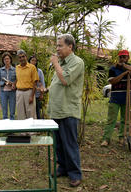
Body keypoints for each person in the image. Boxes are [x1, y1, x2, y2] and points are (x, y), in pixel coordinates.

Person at [48, 34, 84, 187]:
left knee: (69, 143)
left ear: (70, 47)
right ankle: (62, 167)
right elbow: (57, 83)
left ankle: (75, 174)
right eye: (57, 46)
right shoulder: (62, 63)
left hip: (68, 110)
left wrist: (55, 63)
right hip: (56, 110)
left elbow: (65, 80)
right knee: (59, 143)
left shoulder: (77, 62)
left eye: (60, 45)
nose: (57, 49)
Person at [101, 50, 131, 147]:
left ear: (128, 58)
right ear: (118, 58)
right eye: (121, 57)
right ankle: (106, 139)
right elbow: (112, 81)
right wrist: (123, 74)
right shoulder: (113, 69)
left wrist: (125, 66)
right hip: (115, 98)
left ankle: (122, 138)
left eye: (124, 57)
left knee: (125, 120)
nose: (122, 59)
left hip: (128, 97)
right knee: (111, 120)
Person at [15, 50, 39, 120]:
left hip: (29, 92)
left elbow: (35, 83)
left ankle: (32, 131)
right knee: (20, 114)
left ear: (26, 57)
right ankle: (23, 131)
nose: (22, 59)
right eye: (20, 57)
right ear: (18, 58)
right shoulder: (17, 68)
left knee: (30, 114)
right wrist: (14, 84)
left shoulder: (32, 67)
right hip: (19, 93)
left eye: (23, 56)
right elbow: (18, 79)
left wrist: (32, 96)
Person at [0, 52, 16, 119]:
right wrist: (4, 83)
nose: (6, 60)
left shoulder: (15, 70)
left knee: (12, 111)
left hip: (12, 92)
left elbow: (17, 80)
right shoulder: (0, 70)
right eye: (5, 59)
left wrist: (13, 84)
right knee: (4, 112)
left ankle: (12, 126)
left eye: (8, 59)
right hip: (3, 92)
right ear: (3, 60)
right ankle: (6, 126)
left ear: (10, 60)